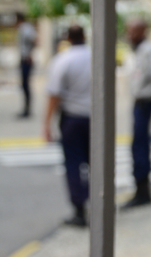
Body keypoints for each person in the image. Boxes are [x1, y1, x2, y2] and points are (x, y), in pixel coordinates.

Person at [43, 25, 91, 227]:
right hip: (95, 119)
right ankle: (96, 201)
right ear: (84, 36)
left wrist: (47, 123)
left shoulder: (63, 59)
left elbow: (55, 94)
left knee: (73, 164)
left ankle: (79, 209)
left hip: (72, 118)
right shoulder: (96, 56)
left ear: (67, 38)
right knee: (95, 163)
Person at [122, 19, 151, 209]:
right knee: (137, 145)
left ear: (142, 31)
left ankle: (143, 191)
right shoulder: (137, 50)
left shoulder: (147, 50)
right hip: (138, 102)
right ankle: (141, 189)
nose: (129, 34)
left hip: (145, 103)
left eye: (133, 31)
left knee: (140, 145)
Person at [15, 12, 37, 118]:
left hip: (26, 59)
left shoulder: (26, 28)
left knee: (25, 84)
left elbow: (34, 40)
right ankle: (26, 109)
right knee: (24, 85)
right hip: (24, 58)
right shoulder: (24, 28)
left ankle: (27, 110)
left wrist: (29, 54)